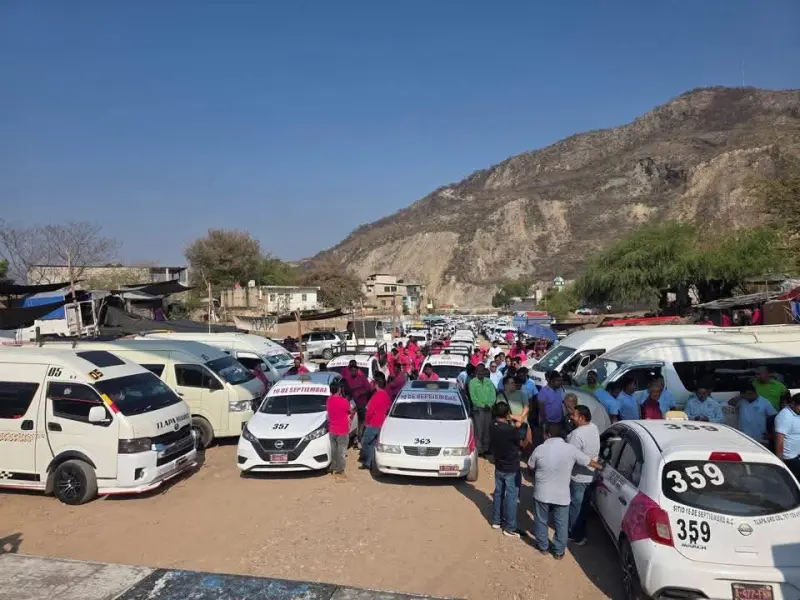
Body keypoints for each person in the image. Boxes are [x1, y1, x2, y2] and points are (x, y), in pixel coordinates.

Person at [528, 423, 602, 559]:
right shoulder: (571, 450)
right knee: (561, 524)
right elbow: (588, 461)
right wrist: (602, 467)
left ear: (548, 434)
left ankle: (543, 547)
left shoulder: (540, 449)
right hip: (562, 496)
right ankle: (558, 551)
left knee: (541, 520)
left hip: (542, 494)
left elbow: (530, 466)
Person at [566, 405, 600, 546]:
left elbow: (573, 456)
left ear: (582, 418)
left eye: (574, 415)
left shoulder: (576, 435)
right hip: (591, 476)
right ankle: (580, 531)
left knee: (576, 506)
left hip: (579, 477)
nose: (571, 417)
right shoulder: (594, 427)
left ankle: (576, 535)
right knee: (583, 506)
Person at [489, 402, 523, 537]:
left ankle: (496, 521)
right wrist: (518, 427)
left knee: (498, 493)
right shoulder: (510, 430)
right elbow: (520, 443)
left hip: (499, 464)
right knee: (511, 497)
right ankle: (510, 527)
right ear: (507, 413)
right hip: (511, 466)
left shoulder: (492, 425)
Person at [361, 372, 392, 469]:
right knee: (373, 443)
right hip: (381, 424)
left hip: (373, 423)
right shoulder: (386, 396)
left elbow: (369, 411)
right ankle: (369, 463)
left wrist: (366, 422)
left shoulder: (376, 396)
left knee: (365, 443)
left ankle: (368, 461)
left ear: (377, 385)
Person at [326, 380, 354, 480]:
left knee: (334, 450)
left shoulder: (328, 400)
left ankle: (333, 466)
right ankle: (340, 470)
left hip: (332, 430)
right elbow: (350, 411)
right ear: (339, 389)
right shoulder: (344, 401)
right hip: (342, 430)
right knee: (341, 452)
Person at [468, 365, 497, 456]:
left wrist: (490, 404)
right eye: (479, 372)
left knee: (487, 430)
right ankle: (479, 450)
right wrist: (482, 405)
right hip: (478, 410)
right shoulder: (472, 382)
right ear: (476, 372)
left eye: (482, 372)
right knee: (479, 430)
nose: (481, 373)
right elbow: (473, 397)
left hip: (488, 409)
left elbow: (493, 394)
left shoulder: (489, 381)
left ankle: (486, 448)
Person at [342, 360, 371, 439]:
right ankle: (353, 434)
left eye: (355, 370)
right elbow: (346, 391)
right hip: (353, 402)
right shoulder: (347, 379)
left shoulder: (362, 378)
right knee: (351, 418)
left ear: (357, 370)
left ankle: (360, 437)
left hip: (362, 403)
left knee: (361, 421)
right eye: (351, 371)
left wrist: (360, 393)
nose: (353, 372)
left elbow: (368, 389)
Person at [775, 393, 800, 479]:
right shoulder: (785, 416)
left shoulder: (797, 413)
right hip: (790, 458)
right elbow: (779, 440)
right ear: (793, 403)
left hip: (797, 456)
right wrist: (780, 462)